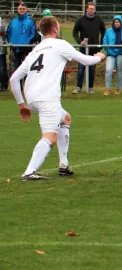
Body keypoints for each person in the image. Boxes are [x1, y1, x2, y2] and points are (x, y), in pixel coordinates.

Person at [9, 16, 106, 180]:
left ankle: (64, 165)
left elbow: (13, 79)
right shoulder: (60, 44)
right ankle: (29, 172)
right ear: (55, 29)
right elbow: (86, 61)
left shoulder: (35, 50)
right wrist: (100, 57)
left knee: (65, 118)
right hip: (47, 97)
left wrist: (21, 104)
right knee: (50, 137)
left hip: (32, 96)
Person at [72, 2, 106, 94]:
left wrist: (101, 44)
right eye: (90, 8)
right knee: (81, 69)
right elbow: (74, 32)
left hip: (94, 49)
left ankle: (90, 88)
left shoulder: (99, 20)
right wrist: (80, 42)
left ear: (95, 10)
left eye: (93, 9)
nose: (91, 10)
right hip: (83, 49)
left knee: (92, 70)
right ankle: (79, 87)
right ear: (86, 9)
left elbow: (104, 32)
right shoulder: (81, 20)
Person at [102, 15, 122, 95]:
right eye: (115, 22)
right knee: (108, 70)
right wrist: (108, 50)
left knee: (119, 70)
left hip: (121, 53)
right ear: (113, 23)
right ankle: (107, 88)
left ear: (121, 22)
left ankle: (117, 88)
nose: (117, 23)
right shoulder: (108, 31)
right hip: (110, 53)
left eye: (118, 22)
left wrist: (119, 48)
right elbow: (105, 41)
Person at [7, 2, 36, 78]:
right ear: (17, 10)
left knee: (27, 69)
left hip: (25, 48)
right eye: (20, 9)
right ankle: (17, 87)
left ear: (26, 10)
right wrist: (10, 42)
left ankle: (26, 87)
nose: (22, 10)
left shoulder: (30, 21)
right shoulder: (13, 21)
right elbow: (8, 32)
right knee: (16, 70)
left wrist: (28, 41)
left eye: (23, 9)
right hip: (15, 48)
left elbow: (33, 33)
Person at [0, 13, 8, 91]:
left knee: (2, 69)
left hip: (1, 49)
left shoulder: (1, 21)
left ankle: (3, 85)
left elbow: (4, 32)